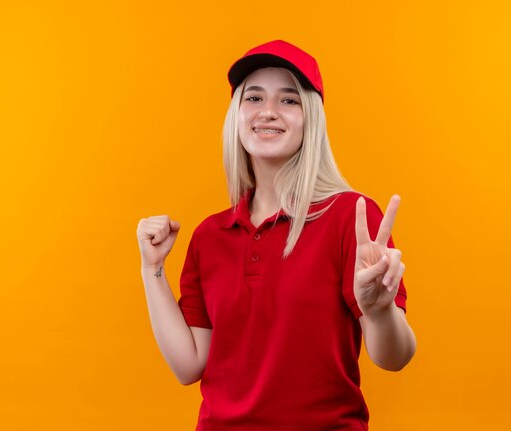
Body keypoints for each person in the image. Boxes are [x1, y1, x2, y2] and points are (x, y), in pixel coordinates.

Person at [137, 40, 416, 431]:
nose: (268, 111)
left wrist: (380, 309)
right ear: (237, 115)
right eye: (254, 97)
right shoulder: (210, 235)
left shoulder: (350, 217)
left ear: (311, 119)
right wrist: (153, 269)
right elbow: (189, 366)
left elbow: (395, 357)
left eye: (289, 101)